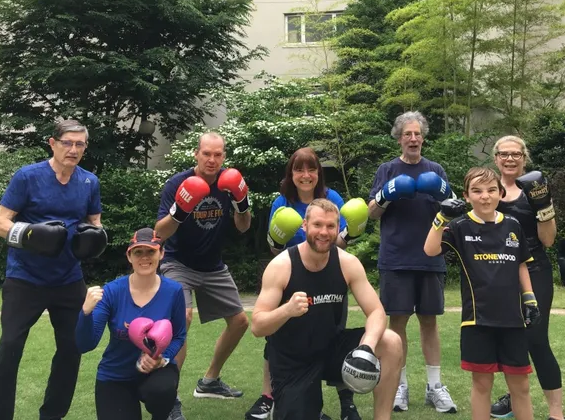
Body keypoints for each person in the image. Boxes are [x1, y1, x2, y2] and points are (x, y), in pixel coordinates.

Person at [0, 119, 106, 420]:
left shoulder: (89, 181)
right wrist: (29, 235)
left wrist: (95, 238)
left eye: (80, 144)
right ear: (53, 143)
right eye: (68, 143)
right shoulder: (27, 177)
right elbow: (0, 223)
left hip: (68, 279)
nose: (74, 149)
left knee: (72, 348)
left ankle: (52, 416)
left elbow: (95, 223)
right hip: (25, 277)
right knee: (10, 346)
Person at [251, 198, 403, 420]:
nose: (324, 232)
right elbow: (257, 326)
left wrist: (367, 347)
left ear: (338, 228)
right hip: (293, 360)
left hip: (332, 349)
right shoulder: (282, 266)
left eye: (331, 226)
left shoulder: (347, 263)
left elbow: (376, 312)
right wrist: (287, 310)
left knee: (390, 341)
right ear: (305, 225)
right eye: (317, 225)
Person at [245, 147, 366, 420]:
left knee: (336, 335)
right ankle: (268, 396)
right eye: (299, 169)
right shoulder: (282, 203)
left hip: (329, 278)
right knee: (276, 337)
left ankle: (347, 400)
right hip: (292, 280)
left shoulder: (331, 198)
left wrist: (351, 233)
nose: (306, 175)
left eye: (311, 169)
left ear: (318, 173)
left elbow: (340, 242)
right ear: (292, 174)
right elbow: (275, 248)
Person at [423, 167, 540, 420]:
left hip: (513, 320)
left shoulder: (513, 224)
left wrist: (529, 298)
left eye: (490, 190)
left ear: (500, 193)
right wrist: (441, 217)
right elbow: (430, 250)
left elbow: (521, 263)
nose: (484, 196)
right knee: (482, 384)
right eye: (477, 191)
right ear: (466, 196)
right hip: (478, 320)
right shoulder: (460, 226)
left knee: (521, 386)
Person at [154, 132, 251, 420]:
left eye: (218, 154)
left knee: (240, 321)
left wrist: (242, 203)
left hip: (213, 266)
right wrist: (180, 211)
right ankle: (169, 398)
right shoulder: (177, 184)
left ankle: (209, 381)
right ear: (196, 154)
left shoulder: (229, 182)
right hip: (177, 263)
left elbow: (244, 227)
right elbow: (160, 232)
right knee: (181, 318)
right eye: (206, 153)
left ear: (223, 156)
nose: (212, 160)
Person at [368, 111, 457, 413]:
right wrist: (386, 194)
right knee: (398, 323)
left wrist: (444, 191)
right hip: (396, 257)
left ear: (423, 137)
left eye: (417, 133)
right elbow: (371, 212)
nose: (413, 138)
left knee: (429, 322)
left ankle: (435, 386)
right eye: (408, 134)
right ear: (399, 138)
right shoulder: (387, 169)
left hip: (431, 255)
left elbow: (455, 207)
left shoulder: (436, 169)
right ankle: (399, 385)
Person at [489, 136, 565, 420]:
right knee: (509, 338)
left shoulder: (535, 189)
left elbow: (547, 240)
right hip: (497, 272)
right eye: (504, 154)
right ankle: (514, 399)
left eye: (516, 154)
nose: (510, 159)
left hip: (534, 270)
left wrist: (543, 205)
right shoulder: (486, 189)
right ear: (495, 158)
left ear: (524, 157)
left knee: (535, 338)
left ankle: (557, 413)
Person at [76, 228, 187, 420]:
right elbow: (85, 344)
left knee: (161, 391)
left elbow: (179, 336)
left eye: (150, 251)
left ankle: (163, 414)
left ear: (161, 253)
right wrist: (85, 312)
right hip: (116, 375)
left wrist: (162, 358)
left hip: (157, 371)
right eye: (138, 252)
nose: (144, 257)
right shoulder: (112, 292)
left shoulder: (174, 291)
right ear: (129, 256)